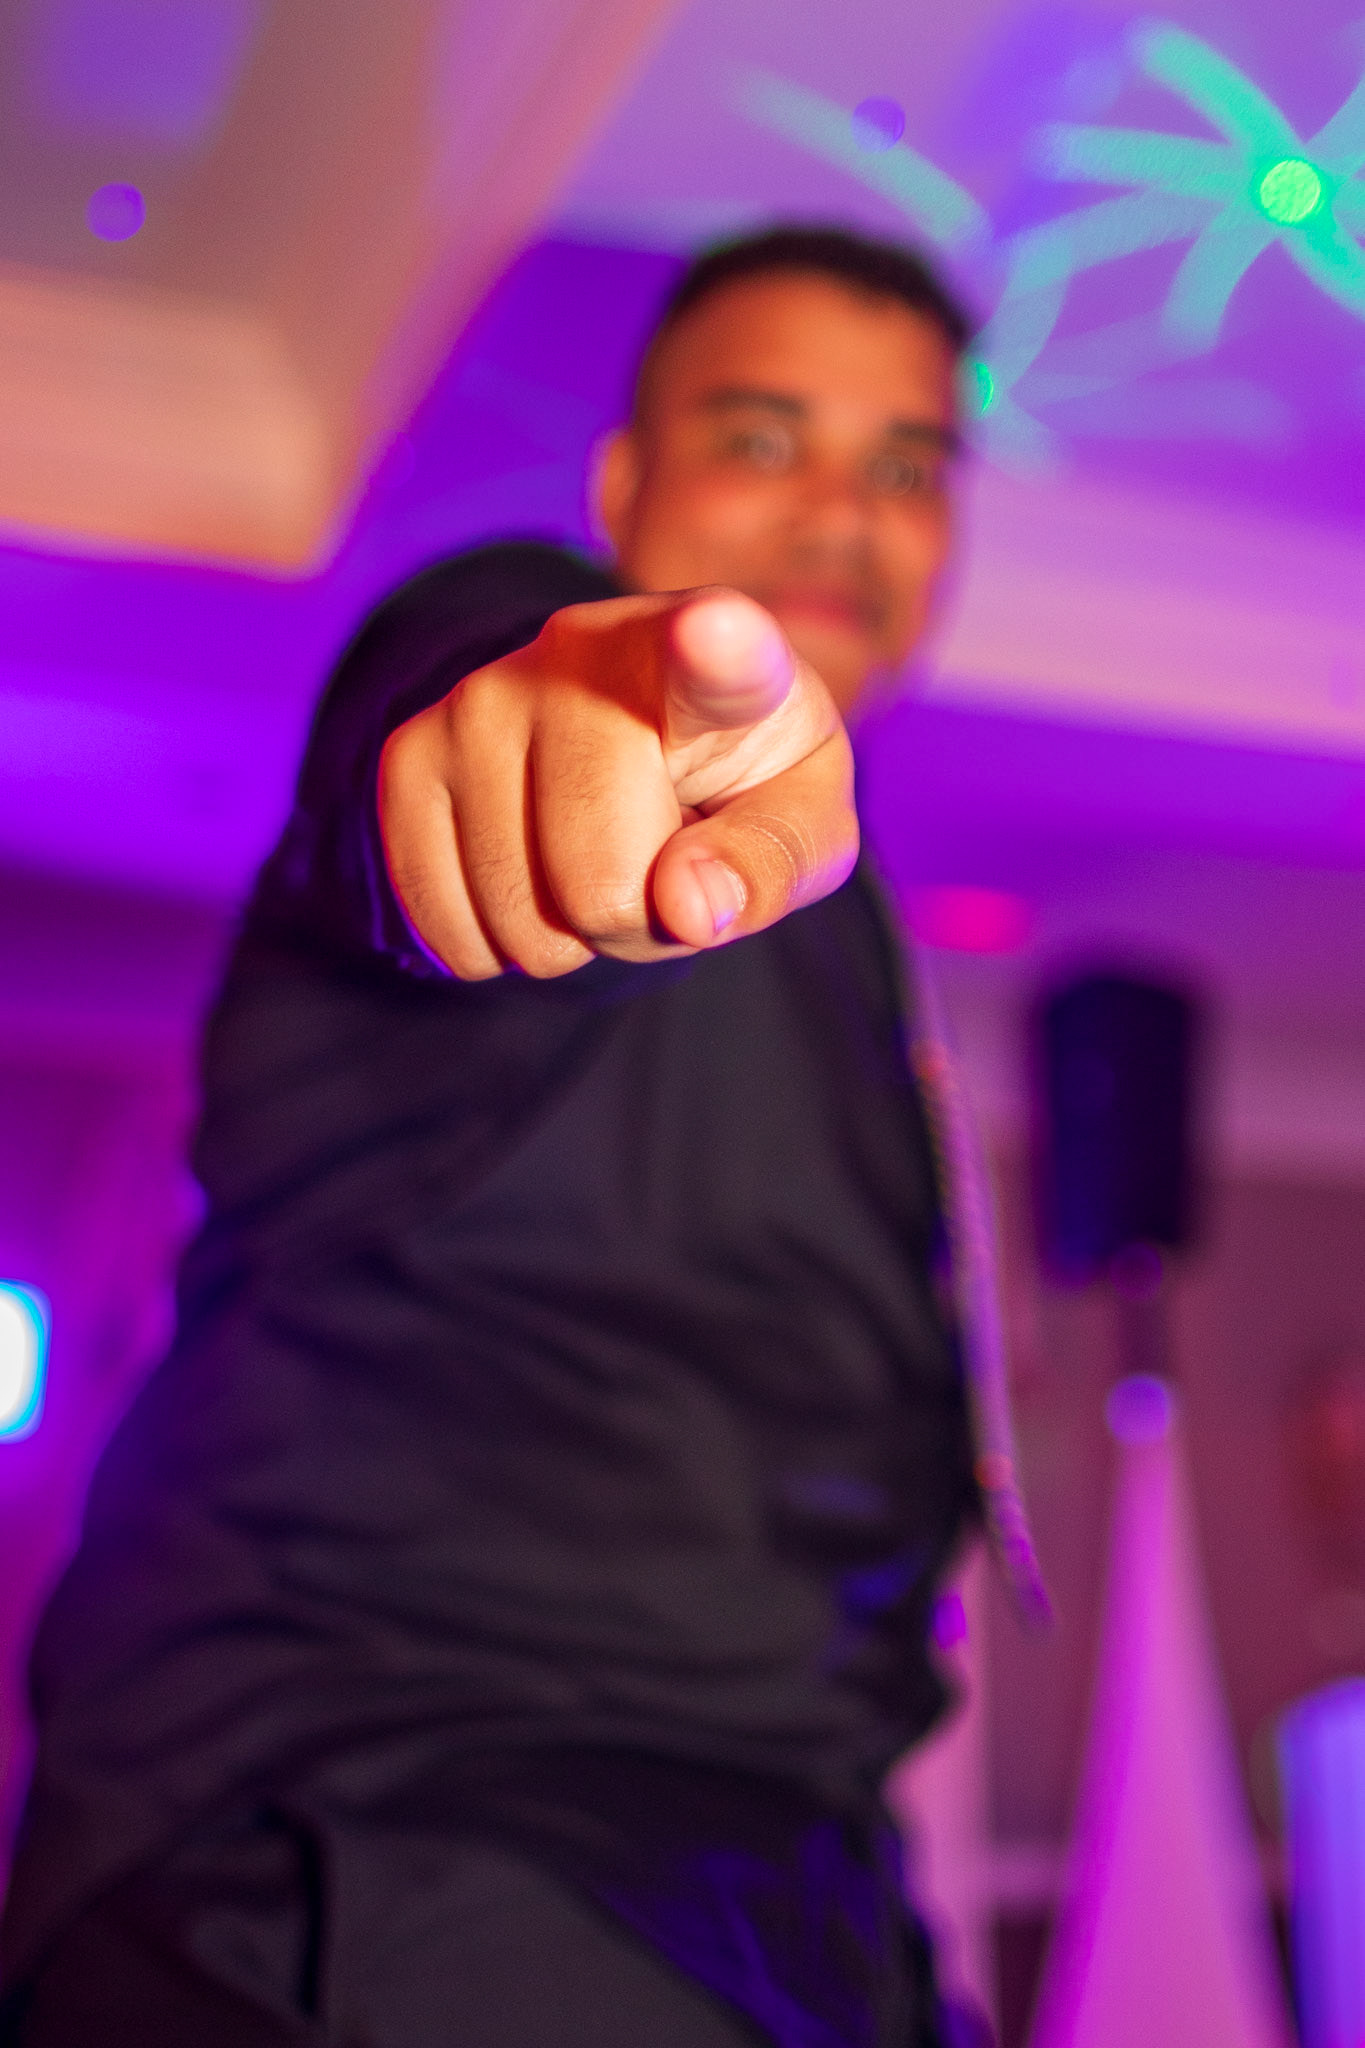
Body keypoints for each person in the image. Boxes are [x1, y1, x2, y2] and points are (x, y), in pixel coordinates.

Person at [0, 227, 984, 2046]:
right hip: (373, 1839)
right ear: (622, 489)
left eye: (906, 468)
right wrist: (547, 724)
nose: (844, 515)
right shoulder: (548, 655)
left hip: (790, 1877)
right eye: (761, 439)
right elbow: (475, 706)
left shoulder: (849, 933)